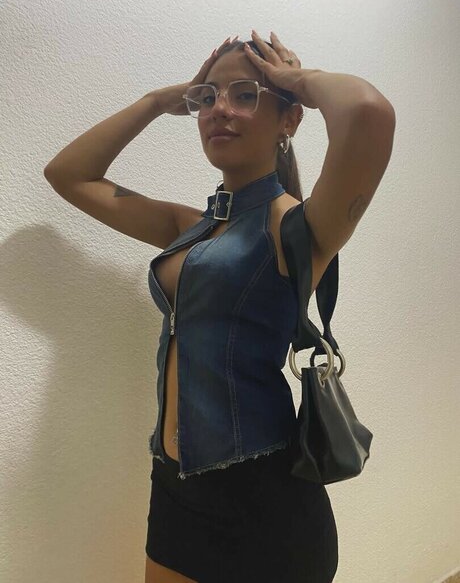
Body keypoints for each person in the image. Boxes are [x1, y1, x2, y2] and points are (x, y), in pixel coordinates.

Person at [44, 30, 395, 583]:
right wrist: (161, 101)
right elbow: (68, 175)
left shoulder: (297, 226)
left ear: (289, 120)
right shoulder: (190, 227)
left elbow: (369, 112)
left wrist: (296, 81)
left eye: (246, 94)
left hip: (263, 498)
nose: (220, 109)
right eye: (208, 98)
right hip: (174, 485)